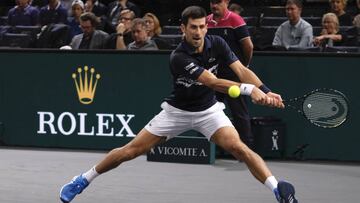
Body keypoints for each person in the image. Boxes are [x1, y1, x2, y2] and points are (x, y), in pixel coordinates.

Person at [59, 6, 298, 203]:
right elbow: (212, 82)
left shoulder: (218, 44)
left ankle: (278, 190)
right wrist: (249, 90)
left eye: (202, 26)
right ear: (183, 28)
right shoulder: (178, 57)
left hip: (208, 112)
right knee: (130, 151)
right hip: (177, 113)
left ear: (207, 26)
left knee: (240, 149)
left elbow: (242, 70)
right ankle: (83, 179)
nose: (198, 32)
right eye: (193, 27)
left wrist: (266, 90)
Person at [206, 0, 255, 150]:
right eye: (212, 2)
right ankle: (209, 149)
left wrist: (242, 67)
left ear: (226, 2)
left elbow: (248, 46)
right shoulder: (206, 21)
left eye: (218, 2)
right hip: (213, 77)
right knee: (208, 112)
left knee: (239, 114)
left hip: (233, 76)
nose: (214, 5)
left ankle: (247, 150)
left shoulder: (235, 20)